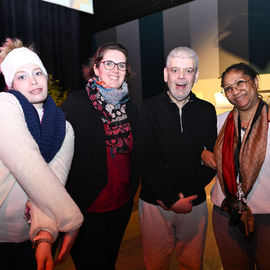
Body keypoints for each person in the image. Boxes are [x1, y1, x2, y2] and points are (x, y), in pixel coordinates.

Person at [0, 38, 83, 270]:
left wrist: (45, 234)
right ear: (11, 85)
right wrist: (70, 218)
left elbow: (51, 183)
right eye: (22, 76)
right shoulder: (4, 105)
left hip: (29, 235)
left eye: (38, 72)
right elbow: (28, 163)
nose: (33, 80)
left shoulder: (63, 128)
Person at [136, 46, 217, 270]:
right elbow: (143, 159)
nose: (181, 76)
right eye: (175, 70)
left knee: (192, 264)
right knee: (155, 264)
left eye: (188, 71)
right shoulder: (148, 109)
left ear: (196, 76)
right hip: (155, 204)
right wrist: (170, 199)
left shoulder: (207, 111)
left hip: (193, 204)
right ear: (166, 74)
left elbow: (212, 161)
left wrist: (184, 197)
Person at [61, 42, 139, 270]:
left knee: (109, 262)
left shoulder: (131, 108)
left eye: (121, 65)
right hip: (87, 205)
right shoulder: (75, 103)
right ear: (96, 68)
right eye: (109, 63)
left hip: (121, 204)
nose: (115, 69)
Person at [208, 63, 270, 270]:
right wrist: (202, 154)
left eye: (240, 82)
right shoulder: (219, 123)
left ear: (254, 81)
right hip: (227, 215)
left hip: (267, 218)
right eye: (228, 88)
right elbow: (197, 150)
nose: (234, 91)